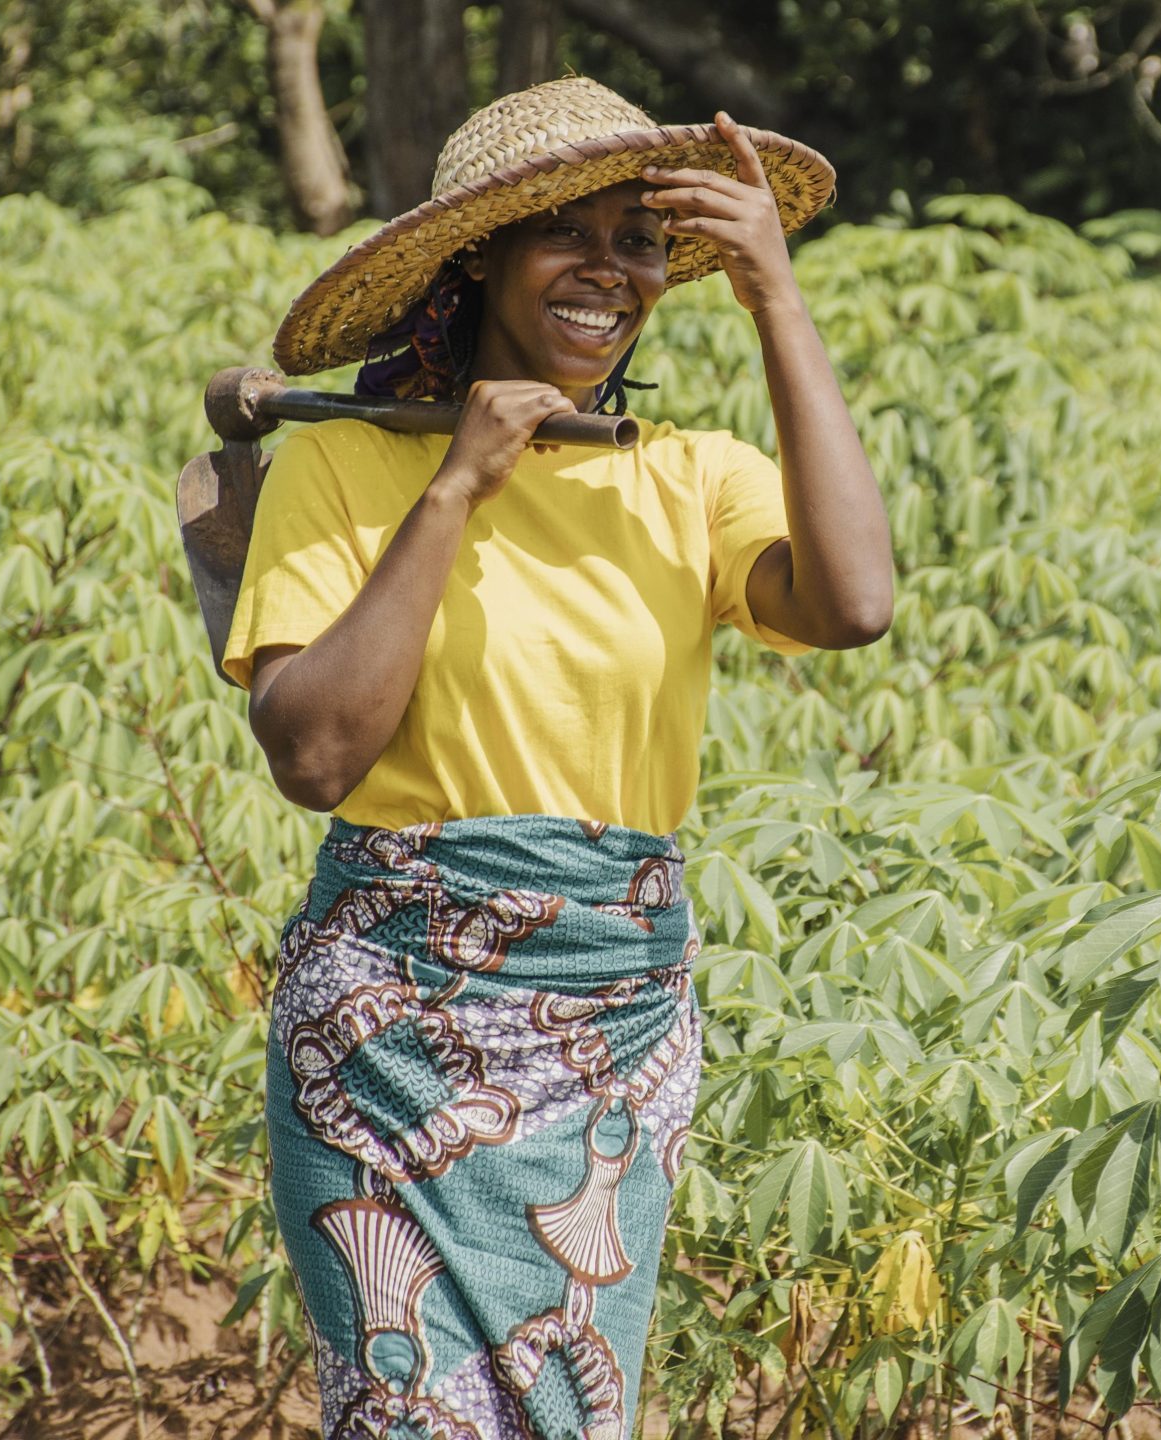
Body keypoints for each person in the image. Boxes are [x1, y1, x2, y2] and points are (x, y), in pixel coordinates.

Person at [219, 76, 892, 1440]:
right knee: (415, 1416)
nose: (609, 269)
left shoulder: (687, 476)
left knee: (573, 1418)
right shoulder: (344, 464)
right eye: (563, 235)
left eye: (638, 240)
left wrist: (777, 296)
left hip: (612, 1031)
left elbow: (856, 603)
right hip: (389, 1036)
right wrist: (459, 485)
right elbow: (315, 753)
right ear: (477, 262)